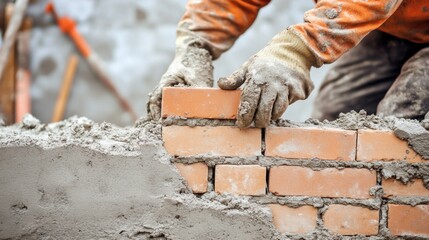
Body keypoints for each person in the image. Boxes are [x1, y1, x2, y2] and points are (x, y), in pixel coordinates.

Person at [147, 0, 429, 128]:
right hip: (393, 25)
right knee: (336, 121)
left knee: (402, 123)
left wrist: (293, 52)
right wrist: (195, 48)